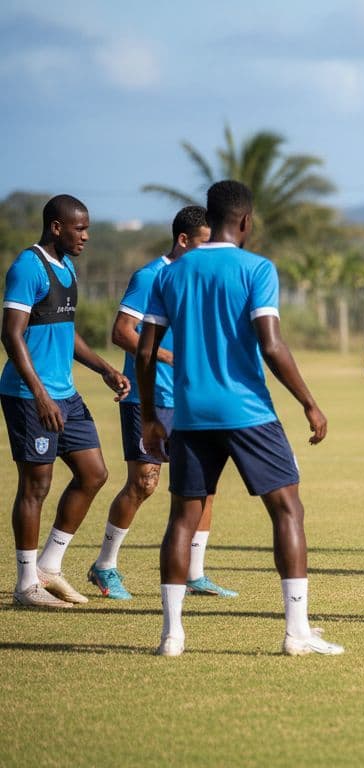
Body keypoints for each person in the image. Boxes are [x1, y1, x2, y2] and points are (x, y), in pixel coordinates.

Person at [138, 180, 341, 657]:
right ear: (246, 221)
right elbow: (270, 343)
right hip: (248, 412)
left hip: (188, 414)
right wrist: (308, 402)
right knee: (288, 510)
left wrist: (150, 416)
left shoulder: (171, 273)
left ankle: (171, 635)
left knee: (182, 520)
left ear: (210, 219)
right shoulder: (257, 268)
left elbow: (145, 351)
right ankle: (297, 634)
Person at [87, 206, 236, 600]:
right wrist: (169, 357)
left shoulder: (199, 278)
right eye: (204, 243)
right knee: (144, 483)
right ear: (183, 240)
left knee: (204, 485)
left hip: (191, 398)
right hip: (148, 397)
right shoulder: (150, 276)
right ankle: (104, 566)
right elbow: (122, 332)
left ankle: (195, 573)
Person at [3, 195, 129, 608]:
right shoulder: (28, 267)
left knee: (94, 473)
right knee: (36, 485)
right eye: (80, 228)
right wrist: (40, 394)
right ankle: (26, 585)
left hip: (66, 394)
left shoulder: (68, 268)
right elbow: (11, 334)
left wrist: (105, 369)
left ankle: (50, 567)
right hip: (29, 395)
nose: (86, 236)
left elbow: (66, 332)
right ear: (56, 227)